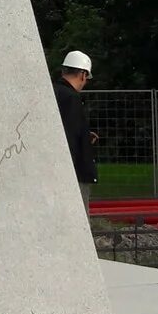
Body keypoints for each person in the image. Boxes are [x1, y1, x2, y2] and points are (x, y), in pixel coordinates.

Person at [53, 50, 98, 211]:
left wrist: (84, 136)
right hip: (73, 174)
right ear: (83, 74)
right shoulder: (71, 98)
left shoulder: (53, 92)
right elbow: (70, 138)